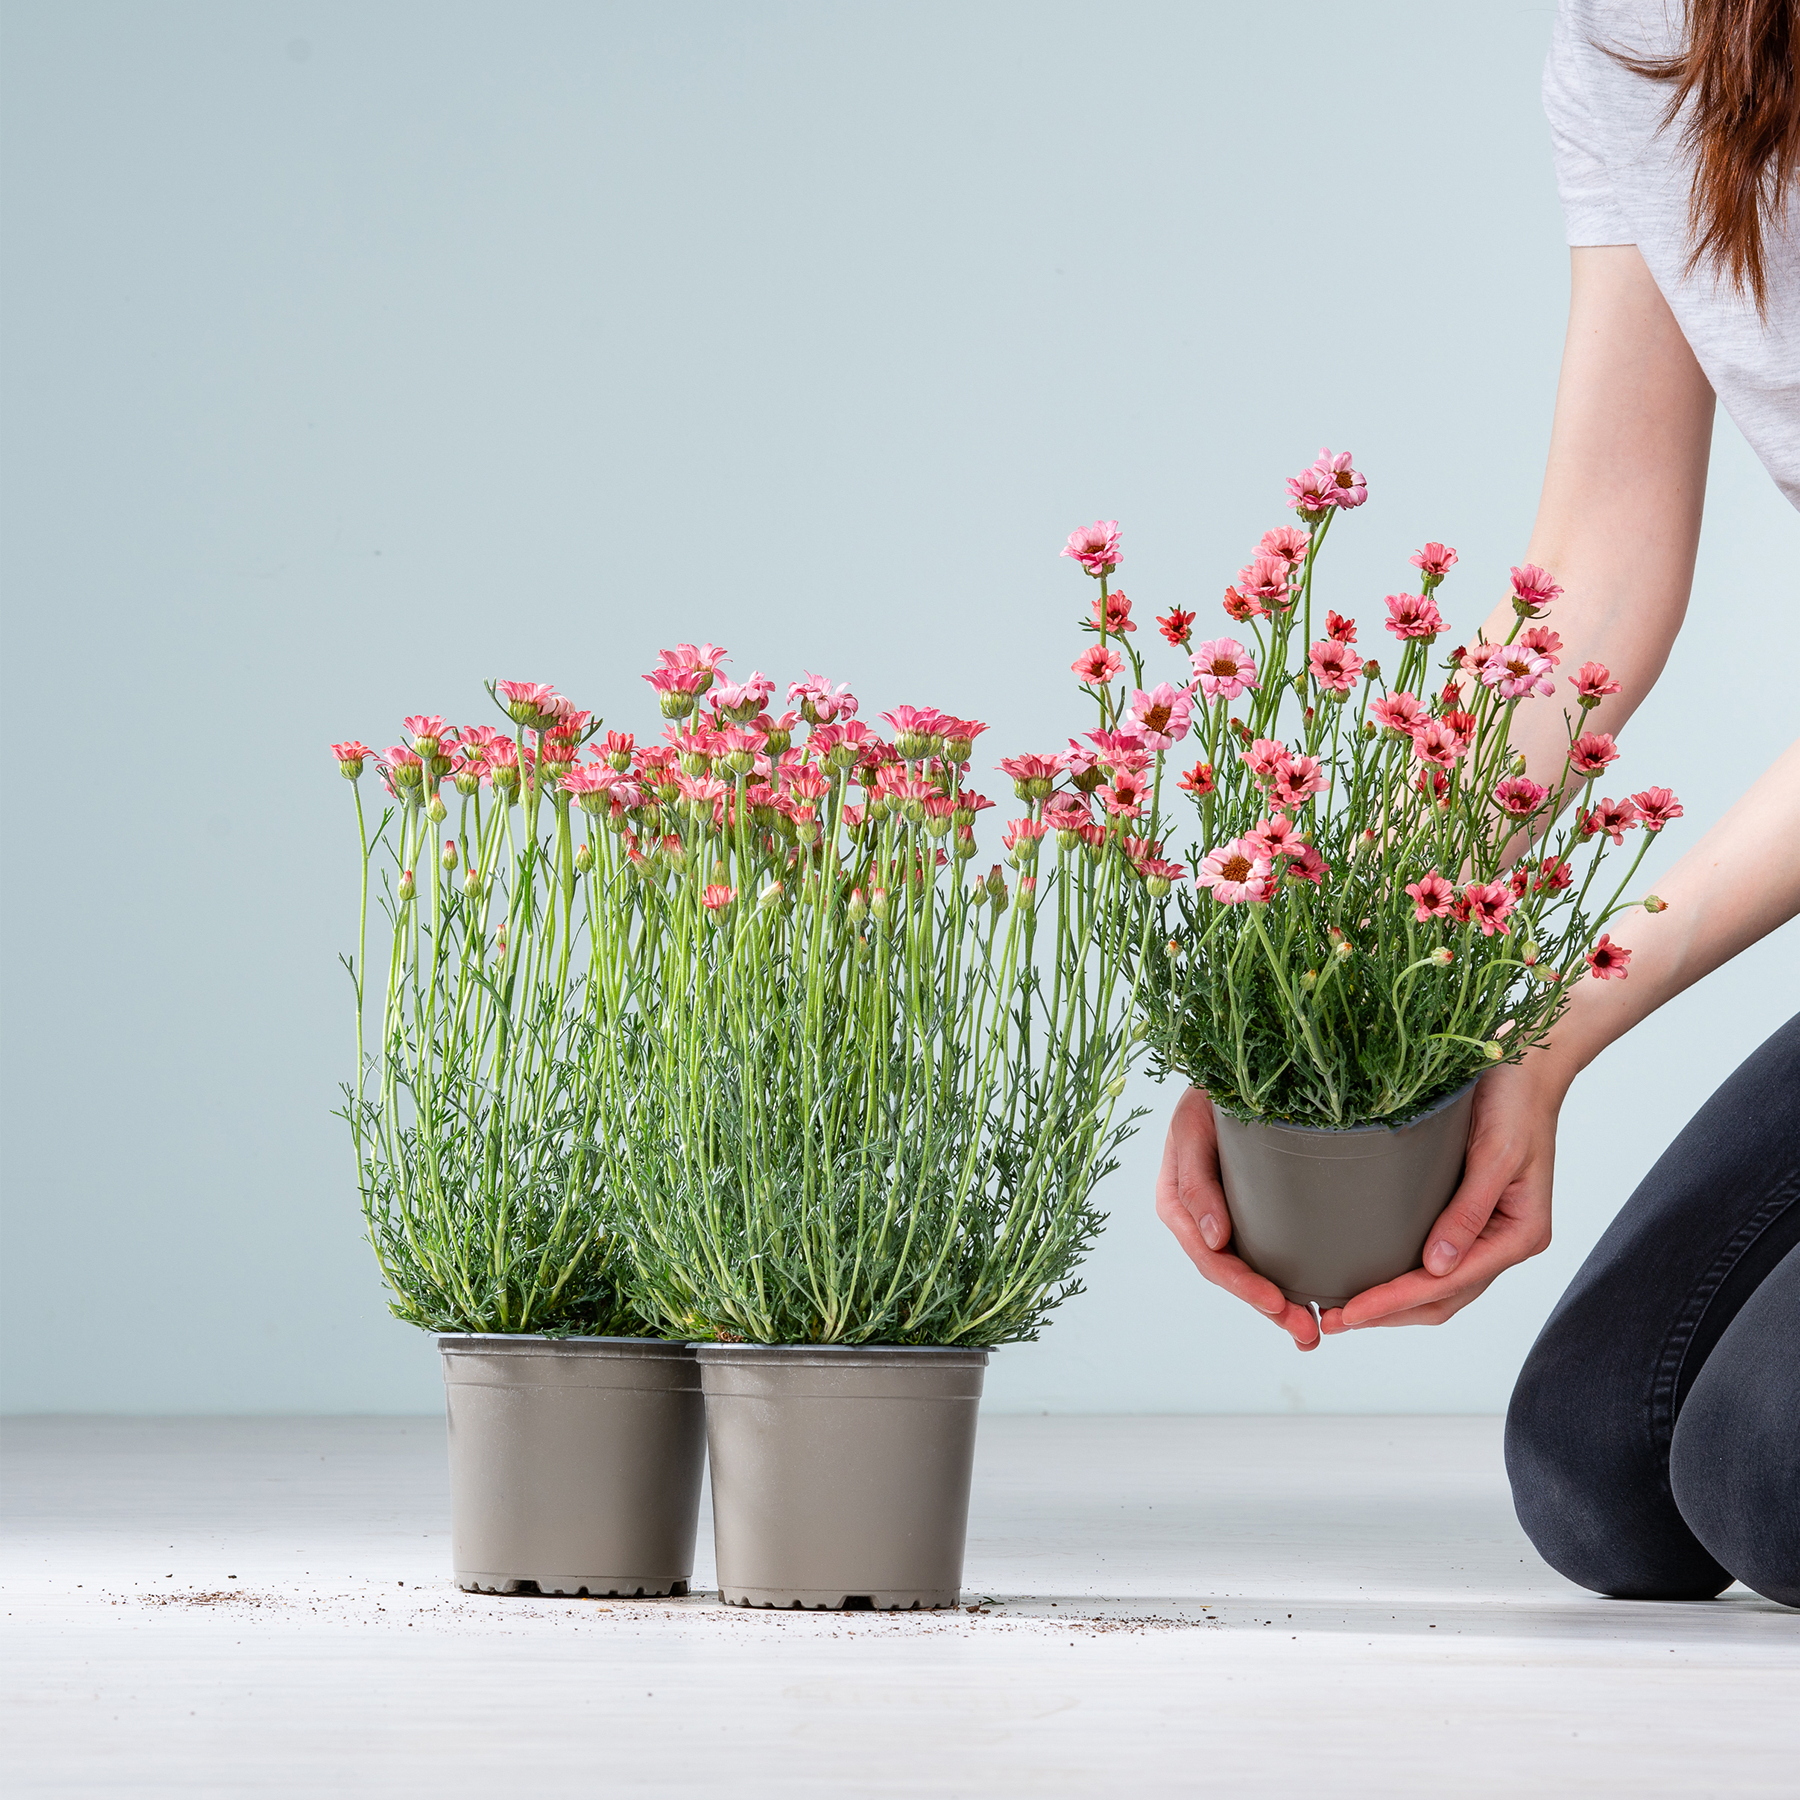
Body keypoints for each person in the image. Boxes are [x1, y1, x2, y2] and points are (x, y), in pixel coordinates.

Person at [1154, 0, 1800, 1609]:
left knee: (1775, 1473)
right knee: (1602, 1473)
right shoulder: (1640, 39)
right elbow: (1597, 569)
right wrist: (1324, 995)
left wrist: (1548, 1030)